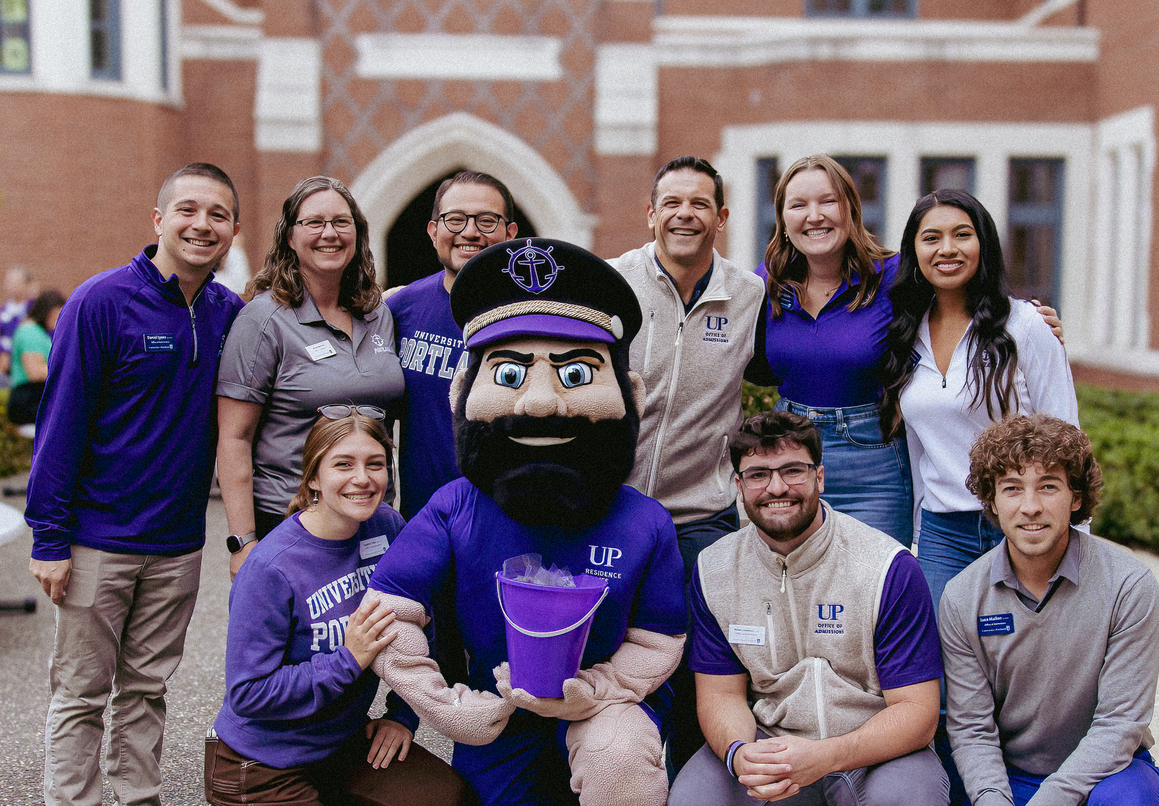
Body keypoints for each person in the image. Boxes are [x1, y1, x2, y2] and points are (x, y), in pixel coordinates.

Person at [368, 238, 687, 806]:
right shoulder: (454, 509)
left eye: (575, 375)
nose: (541, 403)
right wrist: (446, 706)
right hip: (498, 710)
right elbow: (389, 610)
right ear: (461, 394)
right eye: (511, 374)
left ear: (630, 396)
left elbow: (659, 638)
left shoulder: (645, 522)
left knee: (620, 765)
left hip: (607, 706)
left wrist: (593, 692)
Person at [25, 163, 243, 806]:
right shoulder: (101, 301)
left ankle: (137, 796)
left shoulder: (229, 313)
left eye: (218, 215)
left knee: (147, 688)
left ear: (233, 230)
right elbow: (60, 422)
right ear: (158, 219)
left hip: (177, 544)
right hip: (98, 538)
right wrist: (48, 538)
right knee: (81, 692)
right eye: (188, 209)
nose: (202, 224)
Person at [755, 157, 1063, 547]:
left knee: (875, 591)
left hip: (874, 462)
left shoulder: (894, 276)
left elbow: (959, 294)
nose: (814, 216)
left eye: (828, 201)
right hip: (791, 455)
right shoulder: (765, 284)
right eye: (798, 205)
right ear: (782, 218)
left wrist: (1030, 323)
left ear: (851, 208)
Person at [670, 410, 947, 806]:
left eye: (793, 471)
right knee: (693, 799)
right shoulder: (714, 569)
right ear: (738, 485)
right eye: (758, 474)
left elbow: (918, 712)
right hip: (770, 740)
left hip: (873, 745)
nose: (776, 487)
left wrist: (826, 756)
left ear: (820, 476)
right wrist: (739, 754)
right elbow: (721, 695)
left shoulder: (887, 567)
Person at [208, 408, 469, 806]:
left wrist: (402, 716)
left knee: (446, 796)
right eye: (343, 464)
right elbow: (248, 693)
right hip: (263, 764)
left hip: (343, 745)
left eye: (375, 464)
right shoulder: (271, 568)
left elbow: (420, 623)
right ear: (313, 476)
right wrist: (349, 659)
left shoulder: (388, 527)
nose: (362, 478)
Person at [609, 155, 767, 764]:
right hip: (613, 509)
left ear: (721, 217)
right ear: (650, 214)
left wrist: (1024, 317)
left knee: (703, 665)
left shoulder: (748, 296)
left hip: (700, 516)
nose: (685, 214)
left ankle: (693, 780)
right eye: (672, 202)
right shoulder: (611, 282)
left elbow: (834, 311)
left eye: (700, 203)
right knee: (609, 658)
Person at [941, 414, 1159, 806]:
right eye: (1012, 488)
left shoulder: (1128, 585)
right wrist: (994, 799)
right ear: (992, 500)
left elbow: (1119, 724)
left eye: (1048, 487)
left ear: (1076, 497)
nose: (1030, 507)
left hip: (1108, 773)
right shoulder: (962, 597)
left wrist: (1052, 799)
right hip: (1007, 774)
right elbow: (972, 730)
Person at [878, 189, 1078, 614]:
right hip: (942, 532)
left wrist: (1077, 537)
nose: (947, 249)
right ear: (914, 251)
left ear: (983, 244)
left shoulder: (1024, 325)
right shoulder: (904, 333)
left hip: (1023, 523)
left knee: (1021, 660)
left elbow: (1067, 435)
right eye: (931, 238)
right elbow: (917, 447)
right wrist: (917, 531)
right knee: (940, 663)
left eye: (962, 234)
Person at [217, 176, 404, 576]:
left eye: (341, 222)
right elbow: (235, 437)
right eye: (314, 223)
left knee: (365, 633)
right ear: (289, 237)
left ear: (358, 233)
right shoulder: (263, 320)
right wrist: (243, 541)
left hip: (369, 516)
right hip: (290, 519)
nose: (329, 234)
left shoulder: (378, 315)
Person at [387, 170, 518, 519]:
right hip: (421, 519)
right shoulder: (400, 309)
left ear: (510, 233)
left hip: (508, 521)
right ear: (434, 231)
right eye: (455, 219)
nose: (470, 232)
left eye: (487, 221)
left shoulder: (533, 316)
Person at [7, 288, 65, 426]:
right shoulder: (29, 332)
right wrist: (66, 369)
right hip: (28, 400)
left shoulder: (38, 332)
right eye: (60, 313)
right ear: (50, 311)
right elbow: (35, 373)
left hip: (32, 398)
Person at [0, 264, 36, 381]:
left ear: (26, 284)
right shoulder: (4, 310)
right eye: (8, 281)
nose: (11, 286)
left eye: (15, 282)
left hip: (21, 368)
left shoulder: (33, 310)